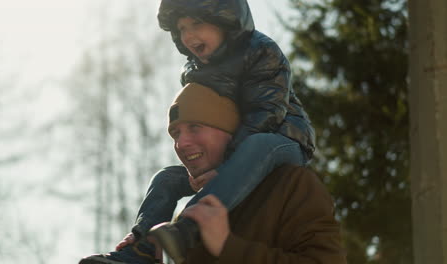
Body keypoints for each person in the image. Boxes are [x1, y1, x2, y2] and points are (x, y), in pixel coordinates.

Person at [79, 0, 315, 262]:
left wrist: (227, 163)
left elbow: (267, 111)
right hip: (233, 154)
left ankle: (188, 227)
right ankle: (142, 249)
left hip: (282, 141)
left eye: (197, 24)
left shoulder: (261, 51)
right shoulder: (193, 69)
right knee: (166, 178)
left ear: (225, 20)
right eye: (182, 29)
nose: (189, 36)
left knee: (259, 144)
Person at [114, 83, 346, 264]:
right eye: (175, 134)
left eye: (195, 127)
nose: (181, 143)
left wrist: (226, 245)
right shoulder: (189, 215)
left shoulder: (291, 184)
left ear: (233, 134)